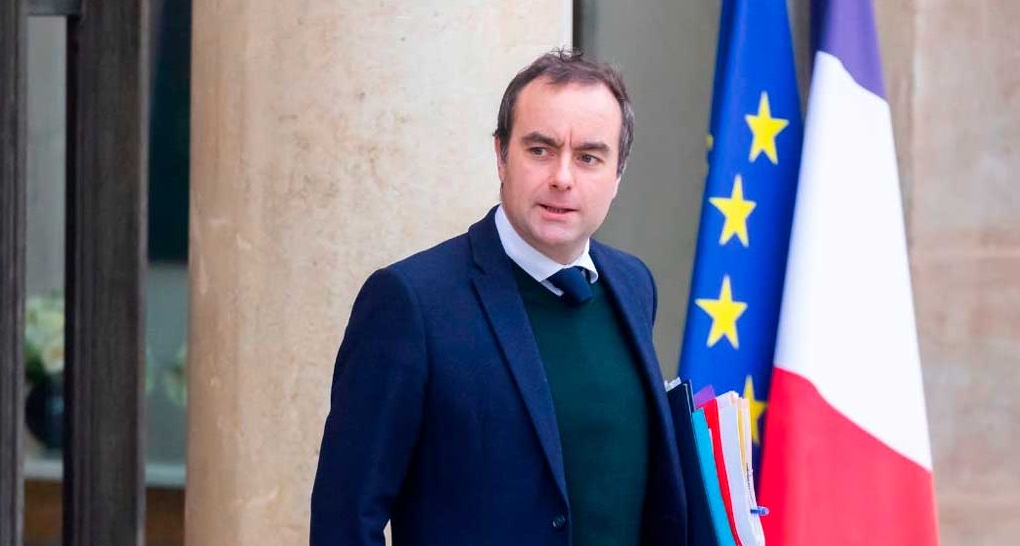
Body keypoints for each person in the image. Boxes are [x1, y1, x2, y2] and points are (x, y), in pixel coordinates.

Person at [310, 48, 688, 546]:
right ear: (501, 155)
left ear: (618, 175)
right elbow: (344, 519)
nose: (562, 177)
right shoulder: (410, 303)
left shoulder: (634, 285)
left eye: (588, 157)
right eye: (540, 150)